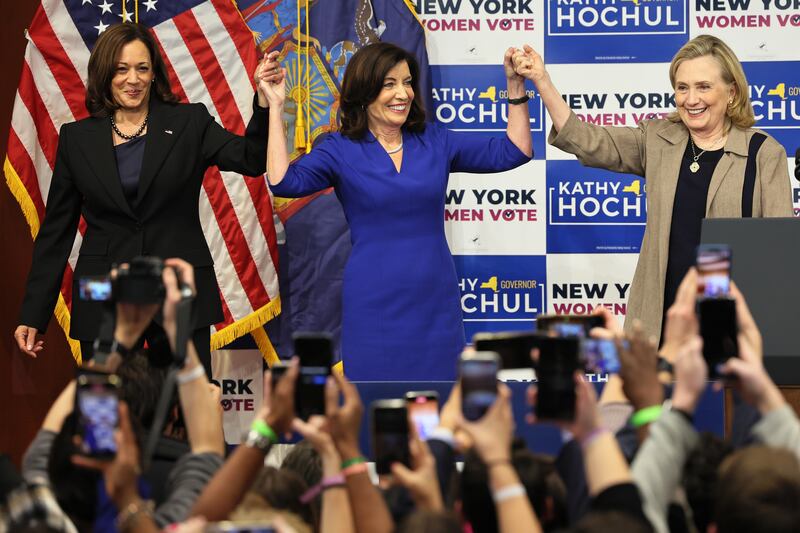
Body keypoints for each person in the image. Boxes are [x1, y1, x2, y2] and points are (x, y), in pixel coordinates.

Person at [13, 23, 282, 373]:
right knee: (103, 410)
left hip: (179, 290)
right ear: (104, 74)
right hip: (102, 293)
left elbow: (250, 159)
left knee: (192, 409)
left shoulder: (189, 122)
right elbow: (57, 232)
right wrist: (34, 313)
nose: (133, 79)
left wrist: (263, 103)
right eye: (121, 69)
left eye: (142, 68)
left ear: (154, 73)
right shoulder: (76, 139)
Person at [261, 42, 533, 380]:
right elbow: (282, 181)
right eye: (389, 84)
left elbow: (515, 151)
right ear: (364, 91)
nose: (402, 93)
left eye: (407, 82)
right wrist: (275, 107)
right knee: (377, 408)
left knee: (438, 407)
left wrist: (515, 86)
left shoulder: (434, 140)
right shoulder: (339, 149)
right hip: (374, 303)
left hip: (435, 300)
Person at [512, 34, 792, 343]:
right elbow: (588, 140)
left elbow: (781, 255)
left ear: (731, 92)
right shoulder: (658, 138)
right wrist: (543, 81)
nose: (691, 99)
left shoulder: (764, 153)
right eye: (682, 87)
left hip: (732, 328)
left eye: (703, 86)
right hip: (658, 325)